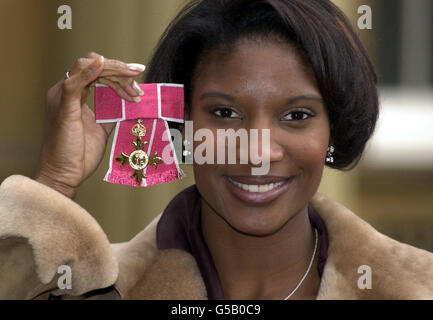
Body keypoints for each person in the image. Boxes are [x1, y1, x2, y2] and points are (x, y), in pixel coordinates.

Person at [0, 0, 432, 300]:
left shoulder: (418, 284)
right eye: (225, 113)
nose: (258, 151)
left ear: (333, 130)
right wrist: (56, 181)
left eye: (297, 116)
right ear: (178, 124)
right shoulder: (96, 290)